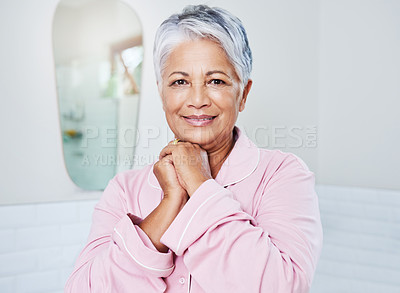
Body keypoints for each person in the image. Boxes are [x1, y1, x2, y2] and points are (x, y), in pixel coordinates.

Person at [65, 5, 323, 293]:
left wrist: (199, 185)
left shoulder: (283, 175)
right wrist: (170, 201)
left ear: (243, 94)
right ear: (162, 93)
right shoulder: (124, 189)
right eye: (180, 82)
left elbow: (282, 287)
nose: (198, 99)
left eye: (216, 81)